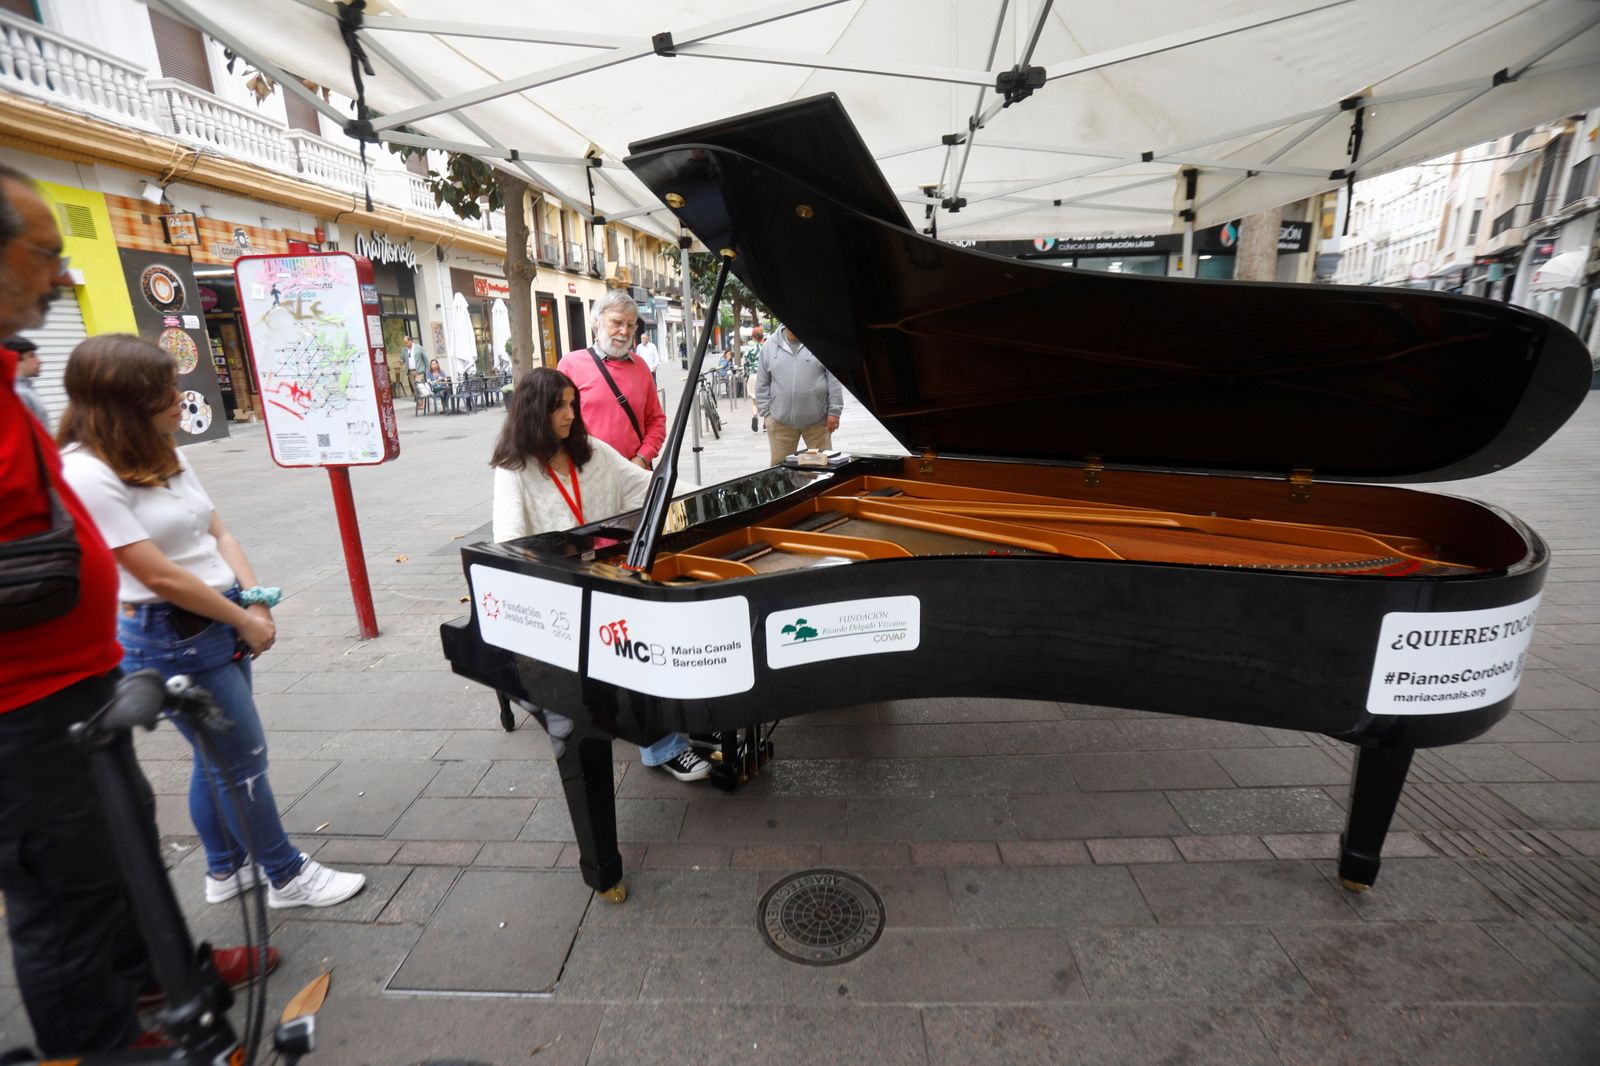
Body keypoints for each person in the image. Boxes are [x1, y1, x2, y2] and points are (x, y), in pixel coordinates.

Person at [0, 165, 270, 1056]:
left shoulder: (10, 383)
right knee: (65, 898)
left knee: (118, 852)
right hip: (19, 712)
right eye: (45, 253)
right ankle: (105, 1043)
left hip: (76, 685)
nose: (63, 275)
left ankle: (162, 975)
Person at [57, 333, 368, 916]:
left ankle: (225, 870)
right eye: (164, 389)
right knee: (242, 762)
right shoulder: (86, 472)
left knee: (215, 758)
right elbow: (159, 576)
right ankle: (286, 877)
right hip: (171, 633)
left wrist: (253, 600)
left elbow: (216, 531)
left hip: (215, 617)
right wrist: (241, 621)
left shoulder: (158, 446)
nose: (182, 396)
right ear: (122, 402)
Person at [490, 367, 712, 783]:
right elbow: (510, 548)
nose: (571, 414)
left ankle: (685, 715)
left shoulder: (589, 450)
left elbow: (649, 487)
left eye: (573, 404)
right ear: (536, 410)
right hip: (558, 592)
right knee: (634, 645)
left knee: (669, 617)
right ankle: (663, 744)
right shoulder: (514, 470)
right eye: (560, 406)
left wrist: (712, 503)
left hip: (608, 573)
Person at [557, 290, 666, 469]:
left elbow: (656, 421)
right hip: (588, 477)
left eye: (630, 325)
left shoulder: (641, 367)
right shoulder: (570, 365)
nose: (624, 331)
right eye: (617, 322)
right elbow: (556, 423)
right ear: (596, 322)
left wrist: (641, 458)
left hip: (635, 476)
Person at [756, 325, 842, 465]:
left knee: (821, 471)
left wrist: (834, 411)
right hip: (780, 424)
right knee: (781, 473)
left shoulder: (821, 343)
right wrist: (767, 414)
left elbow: (834, 380)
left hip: (818, 423)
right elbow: (762, 384)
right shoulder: (769, 346)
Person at [7, 334, 47, 429]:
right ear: (13, 360)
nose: (39, 361)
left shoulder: (25, 389)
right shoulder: (19, 393)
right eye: (31, 356)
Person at [742, 325, 764, 432]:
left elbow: (745, 363)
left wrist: (746, 375)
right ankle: (766, 423)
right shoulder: (766, 348)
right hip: (764, 376)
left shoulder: (749, 349)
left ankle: (755, 416)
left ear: (753, 337)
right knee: (766, 400)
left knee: (755, 401)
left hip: (753, 375)